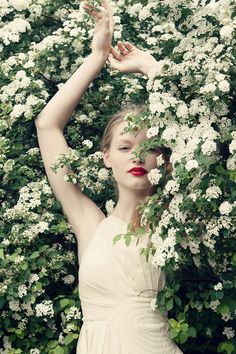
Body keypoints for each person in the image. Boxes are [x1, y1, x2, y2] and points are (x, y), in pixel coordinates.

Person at [34, 0, 183, 353]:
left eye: (150, 147)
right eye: (125, 147)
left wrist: (150, 66)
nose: (138, 157)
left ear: (163, 158)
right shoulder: (90, 225)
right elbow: (47, 125)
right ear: (105, 157)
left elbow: (193, 134)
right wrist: (97, 57)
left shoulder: (172, 218)